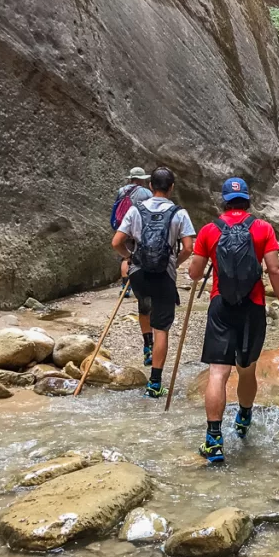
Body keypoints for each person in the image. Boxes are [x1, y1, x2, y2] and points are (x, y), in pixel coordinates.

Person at [188, 177, 279, 464]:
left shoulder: (210, 230)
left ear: (223, 200)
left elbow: (195, 273)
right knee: (247, 370)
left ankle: (213, 442)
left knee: (218, 373)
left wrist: (202, 263)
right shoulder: (262, 229)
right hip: (252, 307)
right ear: (248, 200)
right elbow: (274, 270)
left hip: (221, 306)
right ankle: (244, 418)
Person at [111, 166, 195, 398]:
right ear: (171, 188)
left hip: (138, 273)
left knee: (144, 304)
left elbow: (117, 242)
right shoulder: (179, 213)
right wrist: (175, 263)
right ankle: (155, 383)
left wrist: (130, 257)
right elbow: (189, 248)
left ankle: (146, 345)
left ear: (151, 186)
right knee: (163, 329)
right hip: (164, 276)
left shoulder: (136, 210)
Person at [111, 168, 154, 296]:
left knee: (126, 256)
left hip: (124, 226)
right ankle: (143, 283)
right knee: (143, 253)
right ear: (142, 179)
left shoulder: (122, 190)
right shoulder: (146, 192)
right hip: (141, 227)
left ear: (131, 178)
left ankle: (125, 287)